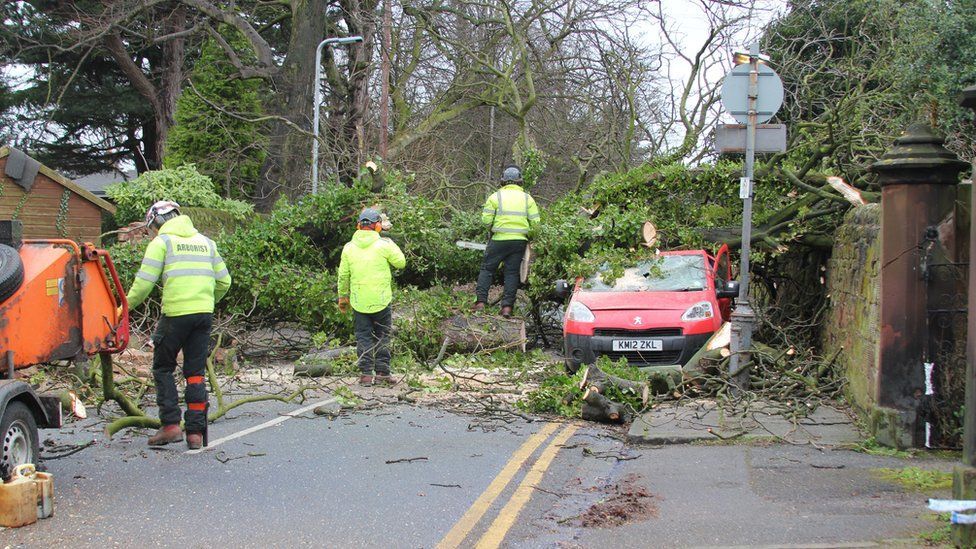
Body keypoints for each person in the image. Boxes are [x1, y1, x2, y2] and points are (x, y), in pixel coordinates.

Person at [124, 200, 232, 449]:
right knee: (195, 373)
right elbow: (225, 281)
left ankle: (171, 425)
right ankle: (195, 433)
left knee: (163, 367)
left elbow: (144, 284)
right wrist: (207, 301)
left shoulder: (163, 242)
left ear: (156, 222)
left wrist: (123, 308)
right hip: (203, 314)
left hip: (175, 315)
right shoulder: (207, 243)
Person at [338, 208, 406, 386]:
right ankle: (383, 372)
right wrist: (390, 241)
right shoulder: (384, 245)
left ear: (359, 226)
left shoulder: (348, 248)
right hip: (381, 299)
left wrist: (343, 297)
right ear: (378, 226)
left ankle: (366, 374)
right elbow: (401, 262)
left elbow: (343, 276)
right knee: (382, 335)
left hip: (359, 301)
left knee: (363, 336)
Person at [474, 165, 540, 317]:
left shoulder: (495, 197)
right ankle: (507, 308)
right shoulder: (527, 198)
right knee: (511, 274)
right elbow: (536, 224)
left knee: (487, 269)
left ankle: (481, 302)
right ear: (519, 181)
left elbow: (485, 221)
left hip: (499, 240)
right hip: (519, 242)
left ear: (503, 181)